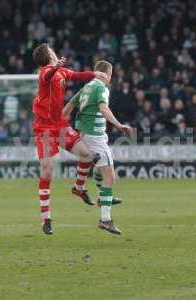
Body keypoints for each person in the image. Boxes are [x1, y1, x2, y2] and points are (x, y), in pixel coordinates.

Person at [32, 43, 108, 235]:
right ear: (49, 56)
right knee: (47, 171)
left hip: (60, 125)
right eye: (52, 51)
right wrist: (55, 67)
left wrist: (95, 74)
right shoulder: (45, 73)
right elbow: (48, 75)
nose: (55, 53)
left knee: (87, 156)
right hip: (45, 129)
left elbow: (77, 76)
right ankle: (46, 219)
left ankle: (79, 188)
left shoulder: (62, 72)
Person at [63, 61, 131, 235]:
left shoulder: (86, 87)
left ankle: (102, 197)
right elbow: (103, 108)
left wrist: (60, 127)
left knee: (100, 171)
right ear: (106, 74)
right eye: (110, 74)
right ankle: (105, 220)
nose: (110, 78)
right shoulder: (101, 87)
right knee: (110, 177)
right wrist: (118, 124)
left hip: (84, 134)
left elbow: (68, 108)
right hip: (95, 136)